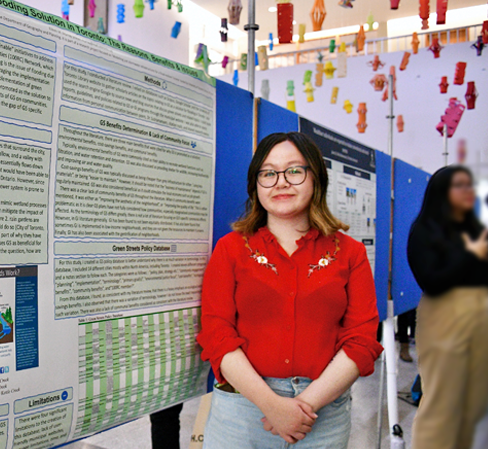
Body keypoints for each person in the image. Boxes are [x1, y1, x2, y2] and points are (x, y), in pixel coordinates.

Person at [197, 132, 383, 448]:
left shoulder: (349, 252)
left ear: (316, 179)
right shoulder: (230, 249)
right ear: (256, 184)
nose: (281, 182)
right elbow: (217, 334)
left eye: (294, 171)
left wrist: (304, 406)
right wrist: (273, 406)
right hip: (243, 412)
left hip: (323, 411)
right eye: (268, 173)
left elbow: (362, 340)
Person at [407, 165, 488, 449]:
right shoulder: (424, 231)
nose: (468, 192)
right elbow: (432, 280)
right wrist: (473, 254)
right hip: (443, 317)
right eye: (459, 186)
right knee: (440, 400)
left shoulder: (471, 228)